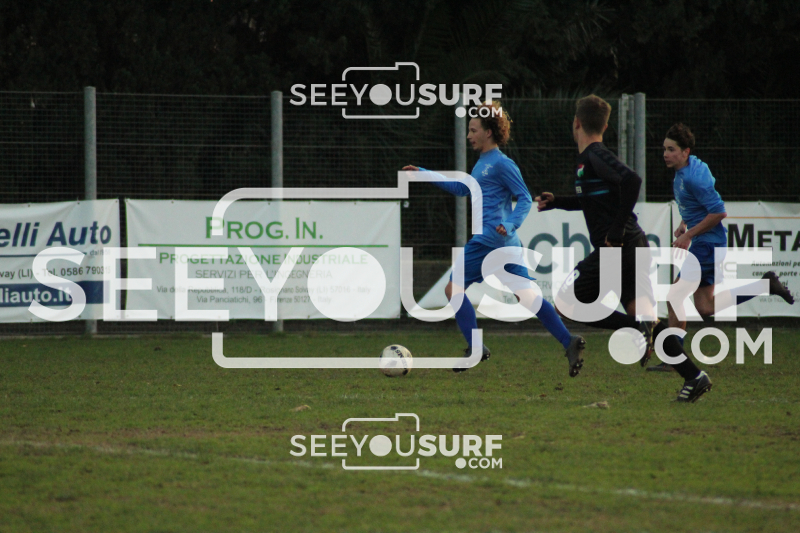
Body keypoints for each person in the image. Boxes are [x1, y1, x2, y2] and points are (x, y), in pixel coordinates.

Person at [536, 95, 712, 402]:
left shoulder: (595, 154)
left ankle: (637, 328)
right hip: (630, 245)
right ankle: (694, 376)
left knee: (565, 302)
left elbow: (632, 180)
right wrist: (559, 202)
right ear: (605, 126)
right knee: (647, 319)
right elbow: (595, 200)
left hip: (619, 246)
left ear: (576, 123)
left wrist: (616, 230)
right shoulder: (590, 159)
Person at [403, 102, 586, 376]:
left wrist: (510, 223)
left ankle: (476, 347)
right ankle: (568, 341)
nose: (469, 135)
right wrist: (424, 173)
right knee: (528, 297)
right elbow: (460, 188)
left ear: (488, 132)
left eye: (473, 130)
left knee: (453, 290)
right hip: (505, 245)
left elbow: (524, 197)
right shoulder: (483, 163)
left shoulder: (501, 163)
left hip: (488, 242)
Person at [648, 123, 795, 372]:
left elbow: (718, 212)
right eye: (664, 149)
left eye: (671, 149)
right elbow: (697, 203)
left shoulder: (694, 177)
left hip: (707, 244)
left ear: (686, 152)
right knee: (705, 307)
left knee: (674, 295)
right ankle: (765, 285)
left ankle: (674, 358)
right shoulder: (685, 169)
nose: (665, 154)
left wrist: (688, 235)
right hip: (707, 243)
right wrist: (685, 222)